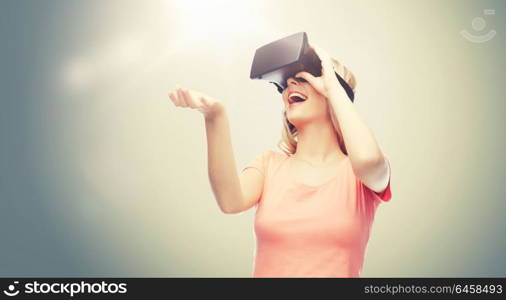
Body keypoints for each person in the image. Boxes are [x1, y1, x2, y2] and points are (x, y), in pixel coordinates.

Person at [168, 44, 392, 278]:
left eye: (304, 78)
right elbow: (229, 201)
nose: (290, 86)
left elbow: (368, 159)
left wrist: (332, 87)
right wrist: (215, 114)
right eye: (285, 84)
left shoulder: (359, 175)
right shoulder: (268, 165)